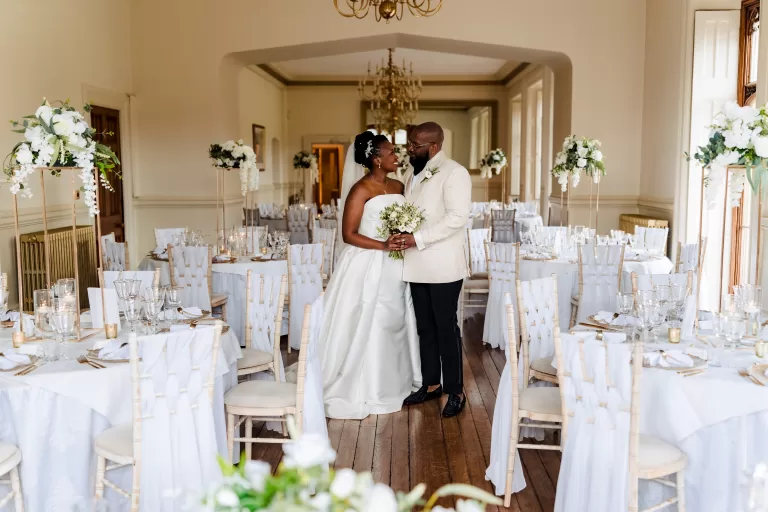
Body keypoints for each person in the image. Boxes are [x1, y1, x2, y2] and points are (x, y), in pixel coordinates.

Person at [317, 131, 422, 420]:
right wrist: (383, 245)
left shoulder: (399, 185)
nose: (397, 156)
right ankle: (370, 385)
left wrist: (403, 234)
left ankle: (399, 380)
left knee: (397, 319)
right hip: (368, 264)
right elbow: (348, 234)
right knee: (372, 318)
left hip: (397, 264)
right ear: (376, 159)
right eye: (391, 153)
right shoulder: (360, 189)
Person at [397, 122, 472, 418]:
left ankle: (456, 390)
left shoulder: (455, 173)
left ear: (434, 146)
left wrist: (417, 238)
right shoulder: (411, 173)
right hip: (416, 263)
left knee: (445, 327)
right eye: (409, 144)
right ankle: (430, 384)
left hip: (443, 266)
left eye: (415, 145)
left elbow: (457, 218)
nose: (409, 150)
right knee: (424, 327)